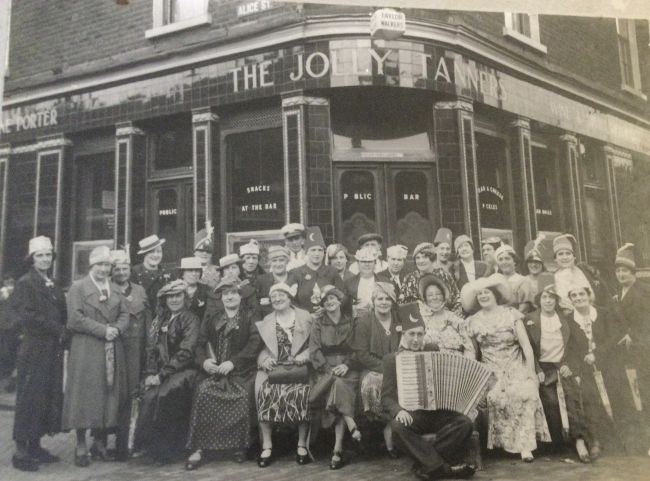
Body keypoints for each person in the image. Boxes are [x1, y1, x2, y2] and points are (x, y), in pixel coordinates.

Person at [382, 303, 476, 481]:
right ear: (403, 335)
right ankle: (444, 468)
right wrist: (398, 411)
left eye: (420, 334)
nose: (416, 339)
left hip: (438, 412)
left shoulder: (432, 349)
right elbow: (386, 397)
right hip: (413, 415)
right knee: (397, 427)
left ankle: (427, 465)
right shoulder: (391, 360)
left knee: (465, 423)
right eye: (412, 334)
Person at [462, 273, 550, 462]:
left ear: (495, 295)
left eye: (487, 293)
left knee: (525, 392)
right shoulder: (473, 321)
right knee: (496, 396)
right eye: (480, 294)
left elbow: (526, 345)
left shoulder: (511, 314)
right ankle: (503, 444)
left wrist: (531, 372)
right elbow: (472, 352)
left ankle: (525, 446)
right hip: (490, 369)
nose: (483, 296)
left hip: (516, 364)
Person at [63, 246, 129, 468]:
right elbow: (74, 319)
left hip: (111, 346)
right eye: (99, 264)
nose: (103, 269)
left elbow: (124, 314)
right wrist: (103, 330)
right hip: (86, 348)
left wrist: (117, 329)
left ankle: (99, 441)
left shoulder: (115, 289)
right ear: (91, 266)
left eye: (107, 265)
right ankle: (80, 443)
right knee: (84, 394)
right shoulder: (78, 288)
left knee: (107, 393)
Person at [185, 278, 262, 470]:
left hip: (241, 371)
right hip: (215, 371)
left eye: (233, 293)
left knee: (243, 395)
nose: (229, 297)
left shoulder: (250, 316)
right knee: (203, 391)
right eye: (225, 294)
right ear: (220, 297)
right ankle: (200, 448)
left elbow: (255, 343)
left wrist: (233, 362)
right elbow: (200, 343)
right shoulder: (212, 317)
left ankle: (238, 447)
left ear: (240, 296)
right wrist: (204, 361)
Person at [11, 236, 66, 472]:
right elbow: (27, 316)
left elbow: (61, 312)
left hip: (51, 348)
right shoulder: (26, 283)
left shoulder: (51, 282)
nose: (45, 259)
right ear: (32, 259)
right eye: (40, 256)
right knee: (29, 397)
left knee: (44, 396)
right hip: (34, 348)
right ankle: (21, 451)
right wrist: (57, 328)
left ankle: (35, 445)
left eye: (48, 255)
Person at [523, 273, 591, 462]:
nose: (548, 301)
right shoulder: (529, 320)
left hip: (563, 366)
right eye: (544, 297)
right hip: (544, 368)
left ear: (556, 300)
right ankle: (556, 443)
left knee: (572, 398)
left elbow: (577, 347)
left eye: (551, 297)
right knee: (551, 402)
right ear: (539, 300)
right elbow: (527, 349)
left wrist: (570, 366)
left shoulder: (566, 319)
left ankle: (579, 442)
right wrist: (537, 370)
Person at [134, 280, 200, 463]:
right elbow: (152, 350)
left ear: (185, 298)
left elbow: (186, 352)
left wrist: (162, 374)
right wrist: (150, 374)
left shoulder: (190, 318)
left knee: (165, 393)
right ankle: (149, 446)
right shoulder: (160, 320)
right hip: (163, 372)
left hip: (185, 371)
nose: (174, 300)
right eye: (170, 297)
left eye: (178, 295)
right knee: (148, 394)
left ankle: (170, 450)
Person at [564, 281, 630, 458]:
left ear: (589, 295)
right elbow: (570, 348)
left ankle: (626, 441)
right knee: (590, 403)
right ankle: (595, 441)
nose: (578, 298)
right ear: (570, 300)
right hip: (586, 369)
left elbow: (615, 336)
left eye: (581, 294)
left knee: (619, 399)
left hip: (610, 364)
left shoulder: (604, 314)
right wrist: (578, 369)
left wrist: (597, 354)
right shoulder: (569, 320)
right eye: (574, 296)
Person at [254, 283, 313, 468]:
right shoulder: (267, 320)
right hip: (275, 369)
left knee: (303, 393)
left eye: (282, 295)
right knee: (263, 391)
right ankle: (267, 444)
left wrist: (307, 354)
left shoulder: (305, 317)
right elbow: (260, 349)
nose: (278, 299)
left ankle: (302, 444)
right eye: (274, 297)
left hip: (299, 367)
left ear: (289, 298)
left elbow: (317, 343)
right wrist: (263, 360)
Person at [309, 285, 361, 470]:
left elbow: (357, 347)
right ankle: (348, 423)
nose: (329, 302)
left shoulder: (351, 320)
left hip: (348, 368)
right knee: (336, 383)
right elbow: (314, 350)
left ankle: (338, 448)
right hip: (325, 368)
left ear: (339, 300)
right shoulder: (318, 322)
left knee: (339, 384)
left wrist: (347, 364)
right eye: (326, 300)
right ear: (322, 304)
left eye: (333, 298)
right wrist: (327, 369)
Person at [349, 282, 402, 458]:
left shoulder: (399, 319)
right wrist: (387, 369)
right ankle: (381, 433)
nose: (384, 302)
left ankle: (396, 432)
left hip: (400, 367)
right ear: (374, 300)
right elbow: (362, 354)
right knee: (372, 386)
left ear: (393, 302)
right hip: (373, 367)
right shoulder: (364, 321)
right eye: (380, 298)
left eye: (388, 299)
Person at [109, 249, 151, 461]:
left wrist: (148, 348)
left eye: (125, 268)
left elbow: (147, 321)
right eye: (117, 268)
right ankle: (102, 440)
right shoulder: (107, 289)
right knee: (111, 393)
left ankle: (125, 443)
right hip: (113, 347)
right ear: (111, 271)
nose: (122, 272)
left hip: (135, 348)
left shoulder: (140, 290)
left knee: (131, 394)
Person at [612, 243, 650, 454]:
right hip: (628, 351)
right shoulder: (620, 292)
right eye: (618, 271)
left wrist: (633, 334)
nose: (621, 274)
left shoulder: (644, 291)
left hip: (644, 348)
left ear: (633, 272)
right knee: (635, 395)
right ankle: (640, 442)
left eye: (625, 270)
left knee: (646, 392)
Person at [417, 275, 475, 359]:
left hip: (457, 366)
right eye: (430, 295)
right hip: (430, 365)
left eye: (438, 294)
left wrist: (466, 367)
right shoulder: (420, 321)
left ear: (444, 296)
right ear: (425, 298)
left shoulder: (455, 319)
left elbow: (469, 348)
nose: (434, 297)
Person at [289, 226, 343, 313]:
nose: (317, 254)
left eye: (320, 250)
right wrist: (305, 315)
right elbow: (291, 300)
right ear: (306, 252)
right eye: (313, 250)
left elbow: (342, 296)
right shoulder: (296, 273)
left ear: (324, 252)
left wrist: (327, 309)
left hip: (328, 318)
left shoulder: (332, 272)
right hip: (304, 321)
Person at [552, 234, 612, 311]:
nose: (565, 257)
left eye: (568, 253)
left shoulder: (587, 272)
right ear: (555, 259)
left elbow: (607, 298)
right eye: (560, 254)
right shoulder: (552, 280)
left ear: (574, 257)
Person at [401, 242, 462, 316]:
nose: (421, 261)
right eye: (418, 258)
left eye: (425, 257)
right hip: (418, 322)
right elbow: (402, 304)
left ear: (432, 258)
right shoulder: (409, 278)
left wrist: (454, 314)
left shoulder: (443, 275)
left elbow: (457, 298)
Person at [131, 235, 176, 315]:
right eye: (151, 252)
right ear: (144, 254)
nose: (156, 255)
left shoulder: (167, 272)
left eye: (159, 251)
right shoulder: (134, 272)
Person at [204, 254, 258, 318]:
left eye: (234, 267)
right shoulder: (214, 293)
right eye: (226, 268)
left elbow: (254, 313)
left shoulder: (249, 291)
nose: (230, 271)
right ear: (222, 273)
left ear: (239, 270)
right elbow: (210, 316)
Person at [495, 244, 536, 314]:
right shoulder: (495, 281)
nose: (504, 262)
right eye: (500, 259)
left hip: (515, 320)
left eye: (507, 258)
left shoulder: (523, 281)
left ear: (514, 261)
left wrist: (509, 320)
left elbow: (524, 308)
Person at [255, 245, 292, 317]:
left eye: (281, 260)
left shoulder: (294, 278)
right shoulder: (261, 280)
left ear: (287, 261)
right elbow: (256, 308)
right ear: (270, 262)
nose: (278, 264)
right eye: (274, 260)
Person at [344, 246, 380, 318]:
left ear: (375, 263)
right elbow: (343, 308)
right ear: (358, 263)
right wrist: (353, 308)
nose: (367, 264)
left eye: (370, 261)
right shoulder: (348, 283)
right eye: (363, 261)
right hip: (356, 323)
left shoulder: (384, 282)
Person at [0, 276, 18, 392]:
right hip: (2, 329)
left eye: (11, 282)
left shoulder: (17, 294)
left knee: (10, 354)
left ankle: (9, 381)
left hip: (13, 329)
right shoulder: (2, 294)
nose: (9, 285)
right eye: (7, 283)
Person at [179, 257, 209, 321]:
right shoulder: (175, 290)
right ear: (182, 273)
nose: (194, 273)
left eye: (197, 270)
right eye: (190, 270)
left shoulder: (207, 290)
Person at [194, 223, 220, 290]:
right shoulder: (189, 270)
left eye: (208, 251)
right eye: (201, 251)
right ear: (194, 252)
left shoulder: (217, 271)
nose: (205, 254)